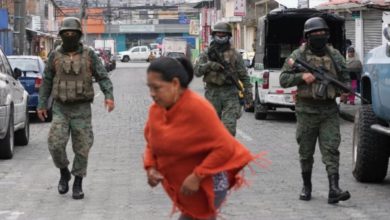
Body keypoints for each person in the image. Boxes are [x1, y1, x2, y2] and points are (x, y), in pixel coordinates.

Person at [144, 57, 258, 220]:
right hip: (186, 185)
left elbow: (225, 147)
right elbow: (151, 143)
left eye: (157, 88)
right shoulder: (156, 110)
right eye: (150, 88)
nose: (152, 94)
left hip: (209, 182)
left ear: (175, 84)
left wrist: (197, 176)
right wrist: (151, 167)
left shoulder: (198, 108)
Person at [37, 17, 115, 200]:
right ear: (61, 35)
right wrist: (41, 104)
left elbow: (102, 76)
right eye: (66, 33)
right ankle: (64, 172)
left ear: (79, 35)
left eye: (73, 33)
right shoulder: (54, 55)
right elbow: (47, 80)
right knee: (55, 144)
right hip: (60, 108)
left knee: (82, 147)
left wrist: (109, 96)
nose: (70, 35)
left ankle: (78, 182)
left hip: (82, 109)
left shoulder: (89, 55)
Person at [280, 17, 351, 204]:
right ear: (307, 36)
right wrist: (302, 77)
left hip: (329, 110)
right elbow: (283, 79)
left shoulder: (335, 55)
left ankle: (334, 189)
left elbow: (345, 77)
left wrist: (344, 91)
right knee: (306, 151)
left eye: (322, 33)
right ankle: (306, 186)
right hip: (306, 110)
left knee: (331, 149)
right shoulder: (298, 55)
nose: (319, 36)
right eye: (315, 34)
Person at [194, 22, 253, 136]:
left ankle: (227, 152)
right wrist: (209, 65)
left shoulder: (235, 55)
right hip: (212, 94)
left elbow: (244, 77)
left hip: (230, 94)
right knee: (210, 130)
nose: (221, 36)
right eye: (218, 34)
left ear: (229, 36)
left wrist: (248, 94)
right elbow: (197, 72)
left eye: (223, 34)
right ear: (214, 34)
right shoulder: (206, 54)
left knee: (229, 130)